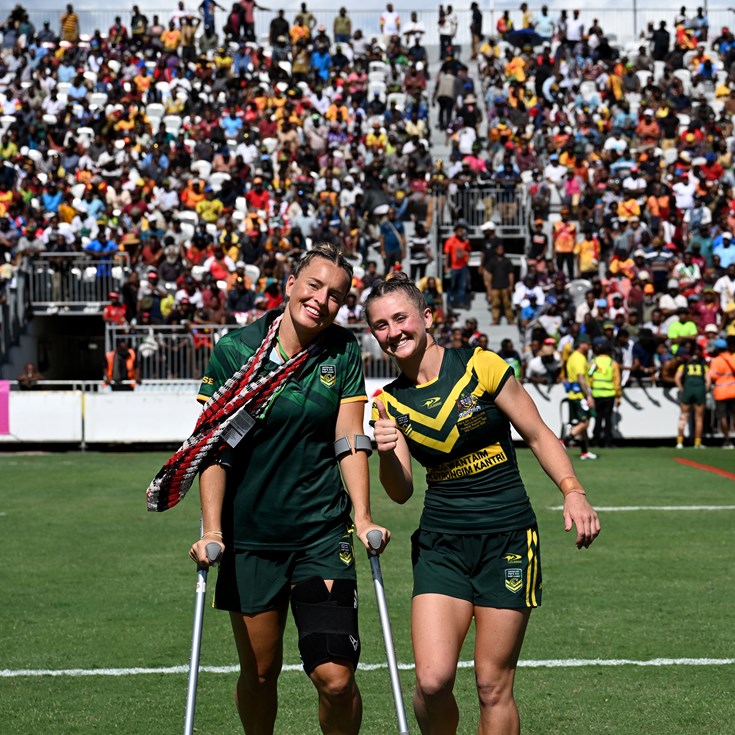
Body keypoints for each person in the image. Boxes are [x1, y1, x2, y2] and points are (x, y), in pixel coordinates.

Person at [364, 273, 600, 735]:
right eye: (380, 326)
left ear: (427, 317)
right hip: (442, 545)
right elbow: (401, 490)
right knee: (432, 682)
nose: (393, 332)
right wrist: (387, 450)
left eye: (400, 318)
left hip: (507, 537)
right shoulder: (387, 403)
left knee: (493, 685)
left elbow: (537, 434)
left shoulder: (481, 366)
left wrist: (573, 490)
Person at [189, 244, 389, 734]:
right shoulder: (236, 350)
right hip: (251, 538)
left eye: (336, 295)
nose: (322, 299)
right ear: (292, 284)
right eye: (315, 285)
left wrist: (361, 517)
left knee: (336, 678)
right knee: (259, 674)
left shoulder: (342, 351)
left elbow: (349, 438)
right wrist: (212, 529)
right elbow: (213, 447)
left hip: (321, 534)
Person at [562, 335, 598, 460]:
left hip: (574, 395)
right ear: (582, 345)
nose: (589, 347)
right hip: (579, 396)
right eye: (588, 344)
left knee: (582, 425)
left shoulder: (573, 357)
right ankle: (564, 442)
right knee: (585, 423)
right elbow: (581, 379)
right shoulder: (579, 358)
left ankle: (584, 451)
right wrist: (588, 396)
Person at [674, 344, 710, 448]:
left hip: (688, 389)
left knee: (683, 416)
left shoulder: (683, 365)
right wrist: (705, 391)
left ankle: (679, 442)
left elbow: (677, 378)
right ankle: (697, 443)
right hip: (699, 390)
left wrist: (682, 388)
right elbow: (708, 381)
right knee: (698, 418)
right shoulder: (704, 366)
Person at [589, 338, 622, 448]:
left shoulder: (594, 362)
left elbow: (589, 377)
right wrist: (618, 396)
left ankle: (595, 441)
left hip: (596, 394)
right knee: (608, 419)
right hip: (609, 395)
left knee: (597, 418)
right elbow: (617, 381)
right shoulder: (613, 363)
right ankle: (608, 442)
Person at [709, 336, 735, 448]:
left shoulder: (716, 360)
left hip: (721, 392)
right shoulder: (733, 358)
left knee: (723, 416)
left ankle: (727, 440)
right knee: (734, 415)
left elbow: (713, 376)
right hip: (733, 390)